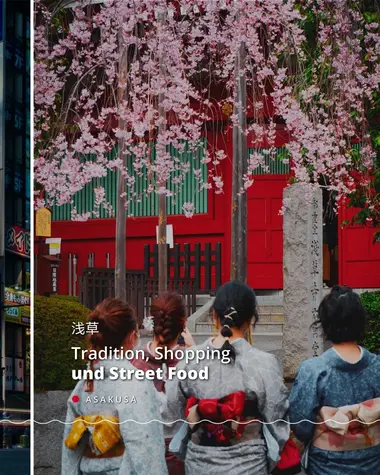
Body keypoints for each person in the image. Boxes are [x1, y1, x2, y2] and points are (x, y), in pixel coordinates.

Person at [162, 280, 290, 475]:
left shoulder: (190, 359)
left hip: (199, 463)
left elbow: (170, 413)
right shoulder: (264, 363)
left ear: (214, 316)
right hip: (249, 465)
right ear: (250, 320)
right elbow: (277, 421)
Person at [61, 298, 168, 475]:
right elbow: (146, 447)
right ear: (131, 337)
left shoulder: (84, 383)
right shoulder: (135, 382)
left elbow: (71, 445)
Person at [289, 285, 380, 475]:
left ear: (325, 324)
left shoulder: (313, 370)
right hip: (372, 462)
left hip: (326, 465)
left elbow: (301, 427)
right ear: (361, 322)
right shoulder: (377, 367)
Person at [132, 291, 195, 475]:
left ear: (152, 322)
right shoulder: (192, 362)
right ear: (183, 324)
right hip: (183, 455)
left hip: (144, 454)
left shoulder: (133, 363)